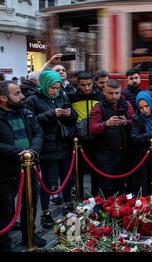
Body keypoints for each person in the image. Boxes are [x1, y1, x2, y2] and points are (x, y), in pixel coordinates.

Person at [25, 70, 77, 228]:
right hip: (47, 146)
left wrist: (68, 113)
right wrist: (51, 114)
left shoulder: (62, 96)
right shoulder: (33, 100)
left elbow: (73, 117)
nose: (56, 91)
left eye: (58, 87)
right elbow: (31, 122)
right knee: (49, 182)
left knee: (66, 178)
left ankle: (68, 204)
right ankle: (45, 212)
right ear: (45, 85)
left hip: (64, 143)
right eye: (52, 88)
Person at [0, 81, 46, 251]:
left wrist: (33, 150)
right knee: (6, 210)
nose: (22, 96)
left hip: (30, 167)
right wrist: (18, 152)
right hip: (6, 171)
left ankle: (30, 235)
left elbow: (38, 133)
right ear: (3, 98)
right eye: (17, 93)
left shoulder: (26, 113)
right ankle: (3, 242)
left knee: (31, 204)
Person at [89, 79, 134, 197]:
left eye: (117, 93)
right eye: (110, 93)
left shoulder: (126, 104)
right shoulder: (98, 107)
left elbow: (135, 123)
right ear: (104, 91)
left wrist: (126, 122)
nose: (114, 96)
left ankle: (122, 212)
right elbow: (92, 128)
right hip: (106, 154)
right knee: (106, 187)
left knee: (123, 186)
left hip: (124, 152)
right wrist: (106, 124)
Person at [68, 72, 103, 197]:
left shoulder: (100, 96)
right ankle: (79, 195)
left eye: (89, 84)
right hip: (79, 139)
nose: (87, 88)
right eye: (83, 85)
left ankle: (95, 195)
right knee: (78, 170)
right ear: (78, 84)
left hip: (96, 139)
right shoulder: (71, 97)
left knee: (96, 169)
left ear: (93, 83)